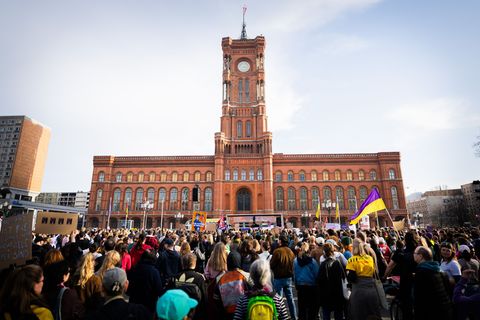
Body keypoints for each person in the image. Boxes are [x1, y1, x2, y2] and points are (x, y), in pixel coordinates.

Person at [412, 246, 453, 320]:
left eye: (414, 253)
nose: (413, 255)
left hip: (431, 313)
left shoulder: (421, 272)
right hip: (446, 311)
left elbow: (419, 298)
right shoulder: (439, 270)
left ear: (420, 256)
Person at [346, 238, 381, 320]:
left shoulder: (351, 260)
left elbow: (352, 278)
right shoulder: (369, 258)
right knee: (373, 314)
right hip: (371, 290)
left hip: (358, 291)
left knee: (358, 315)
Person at [214, 251, 251, 320]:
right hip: (244, 313)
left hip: (226, 314)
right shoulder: (247, 276)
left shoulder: (219, 278)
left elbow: (216, 299)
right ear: (239, 261)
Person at [127, 249, 163, 314]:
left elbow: (128, 287)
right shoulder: (154, 272)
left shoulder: (135, 268)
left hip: (134, 303)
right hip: (148, 305)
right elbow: (159, 290)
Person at [270, 235, 297, 320]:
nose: (278, 242)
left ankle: (279, 317)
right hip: (288, 278)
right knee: (290, 299)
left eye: (279, 240)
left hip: (278, 278)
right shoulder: (290, 251)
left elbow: (272, 264)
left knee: (278, 300)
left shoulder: (277, 251)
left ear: (281, 241)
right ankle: (294, 316)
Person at [174, 253, 207, 320]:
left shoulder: (175, 277)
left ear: (182, 263)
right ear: (194, 264)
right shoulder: (199, 278)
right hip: (194, 313)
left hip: (177, 312)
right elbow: (204, 298)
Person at [318, 242, 346, 320]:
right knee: (338, 315)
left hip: (326, 295)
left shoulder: (323, 265)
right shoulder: (337, 263)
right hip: (337, 294)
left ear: (324, 252)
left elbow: (319, 281)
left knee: (326, 315)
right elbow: (343, 279)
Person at [294, 242, 319, 320]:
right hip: (311, 286)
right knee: (312, 308)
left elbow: (295, 274)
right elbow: (316, 273)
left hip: (300, 285)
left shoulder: (295, 261)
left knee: (302, 308)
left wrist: (296, 284)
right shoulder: (312, 261)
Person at [73, 253, 103, 317]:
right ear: (92, 264)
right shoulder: (96, 280)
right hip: (91, 313)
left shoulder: (75, 277)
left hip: (77, 312)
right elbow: (98, 299)